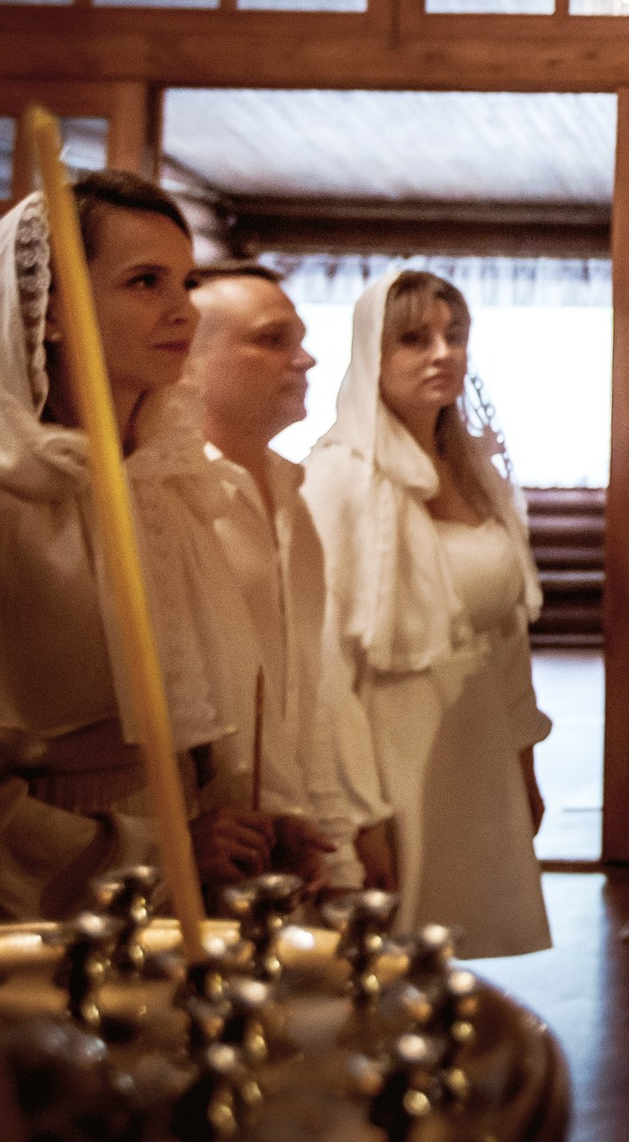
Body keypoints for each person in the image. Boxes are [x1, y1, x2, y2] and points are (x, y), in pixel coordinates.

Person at [0, 173, 287, 918]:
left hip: (182, 868)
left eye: (184, 281)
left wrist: (250, 830)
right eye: (145, 281)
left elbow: (195, 715)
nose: (183, 310)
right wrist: (154, 852)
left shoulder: (163, 485)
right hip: (52, 885)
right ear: (52, 311)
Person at [303, 270, 550, 955]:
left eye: (455, 335)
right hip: (390, 747)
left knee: (452, 950)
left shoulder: (477, 476)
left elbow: (509, 637)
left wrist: (523, 761)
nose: (443, 353)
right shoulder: (338, 477)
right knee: (387, 951)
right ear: (371, 352)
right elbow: (325, 662)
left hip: (475, 740)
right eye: (414, 339)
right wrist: (357, 819)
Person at [187, 261, 397, 891]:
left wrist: (336, 838)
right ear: (189, 359)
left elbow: (307, 690)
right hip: (198, 841)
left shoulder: (289, 490)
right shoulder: (176, 499)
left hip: (284, 840)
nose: (305, 360)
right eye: (273, 340)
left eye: (301, 340)